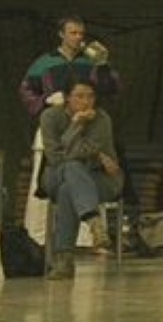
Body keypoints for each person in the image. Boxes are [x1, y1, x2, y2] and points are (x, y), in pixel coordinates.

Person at [18, 16, 121, 244]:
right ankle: (39, 238)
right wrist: (45, 101)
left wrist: (103, 65)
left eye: (81, 34)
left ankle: (85, 238)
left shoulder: (91, 61)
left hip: (88, 127)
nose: (78, 38)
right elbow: (26, 90)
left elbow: (111, 89)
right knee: (57, 172)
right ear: (61, 35)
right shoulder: (44, 62)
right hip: (55, 126)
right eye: (73, 33)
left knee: (80, 175)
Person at [39, 80, 123, 280]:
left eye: (90, 96)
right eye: (80, 96)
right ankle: (93, 220)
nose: (86, 102)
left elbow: (89, 149)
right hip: (55, 175)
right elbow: (54, 157)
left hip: (99, 178)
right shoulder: (50, 117)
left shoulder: (101, 118)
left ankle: (64, 260)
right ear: (67, 97)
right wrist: (76, 125)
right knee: (71, 168)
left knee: (68, 189)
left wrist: (87, 153)